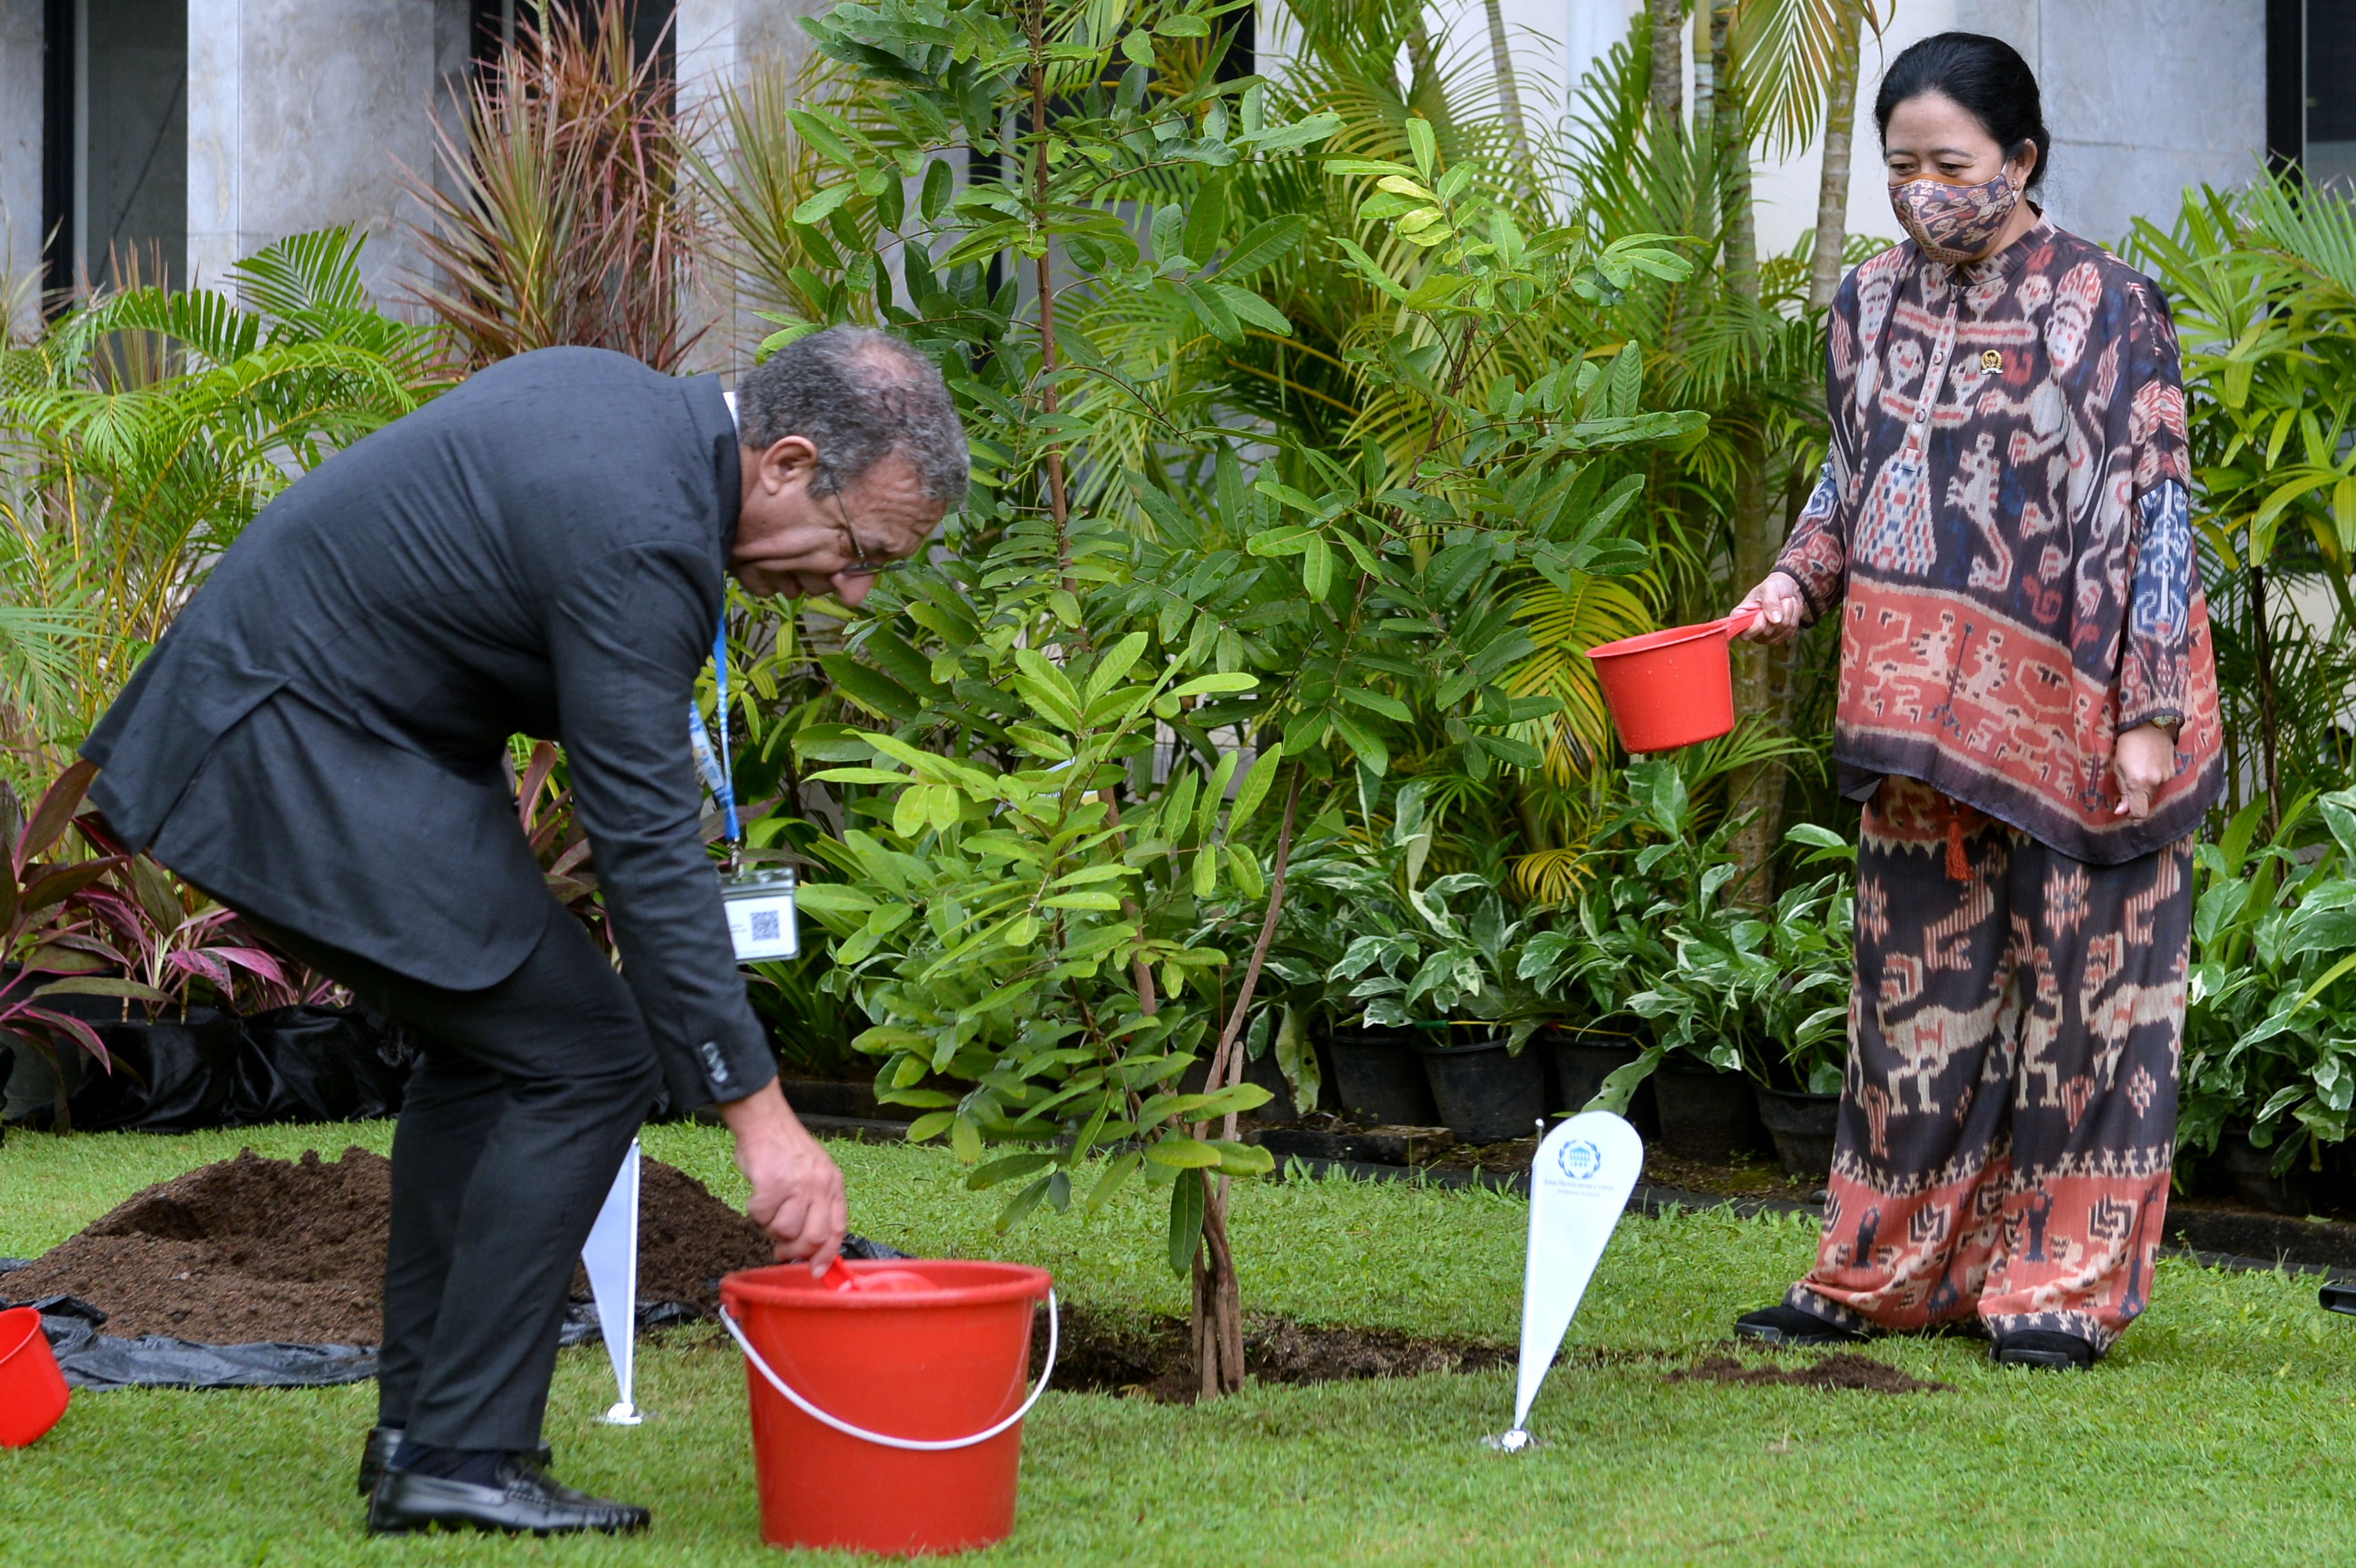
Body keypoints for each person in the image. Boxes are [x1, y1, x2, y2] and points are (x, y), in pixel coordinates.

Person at [79, 325, 968, 1533]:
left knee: (508, 1044)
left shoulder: (635, 426)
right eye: (859, 548)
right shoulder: (646, 529)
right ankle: (460, 1451)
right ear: (786, 460)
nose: (854, 586)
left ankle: (426, 1432)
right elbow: (648, 847)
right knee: (588, 1051)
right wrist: (763, 1122)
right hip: (293, 749)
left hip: (325, 739)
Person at [1724, 33, 2221, 1370]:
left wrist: (2150, 712)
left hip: (2087, 721)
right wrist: (1791, 583)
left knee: (2086, 1025)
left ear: (2021, 159)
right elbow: (1853, 470)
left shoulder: (2113, 307)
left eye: (1949, 164)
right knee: (1910, 1023)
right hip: (1912, 723)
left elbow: (2159, 508)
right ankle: (1882, 1273)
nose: (1923, 189)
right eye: (1900, 167)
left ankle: (2055, 1292)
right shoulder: (1862, 305)